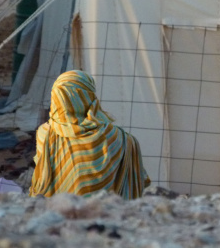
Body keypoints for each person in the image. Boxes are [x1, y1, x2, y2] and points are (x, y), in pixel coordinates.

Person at [29, 70, 150, 199]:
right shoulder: (123, 139)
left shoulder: (45, 133)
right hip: (109, 214)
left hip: (57, 213)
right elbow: (139, 181)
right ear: (90, 96)